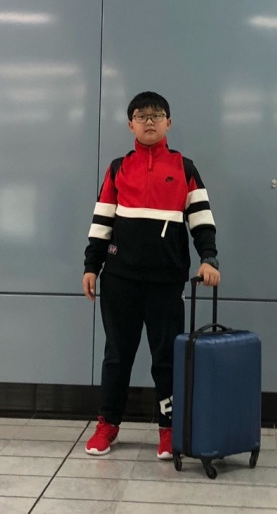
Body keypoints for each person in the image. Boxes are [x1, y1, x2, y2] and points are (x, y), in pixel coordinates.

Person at [82, 91, 220, 460]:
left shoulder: (185, 168)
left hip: (166, 281)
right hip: (119, 280)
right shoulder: (117, 168)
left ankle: (168, 429)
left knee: (166, 357)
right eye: (141, 116)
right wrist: (91, 266)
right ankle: (107, 424)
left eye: (156, 115)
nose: (149, 121)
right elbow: (102, 221)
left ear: (168, 123)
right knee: (117, 355)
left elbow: (202, 220)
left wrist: (209, 259)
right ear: (131, 124)